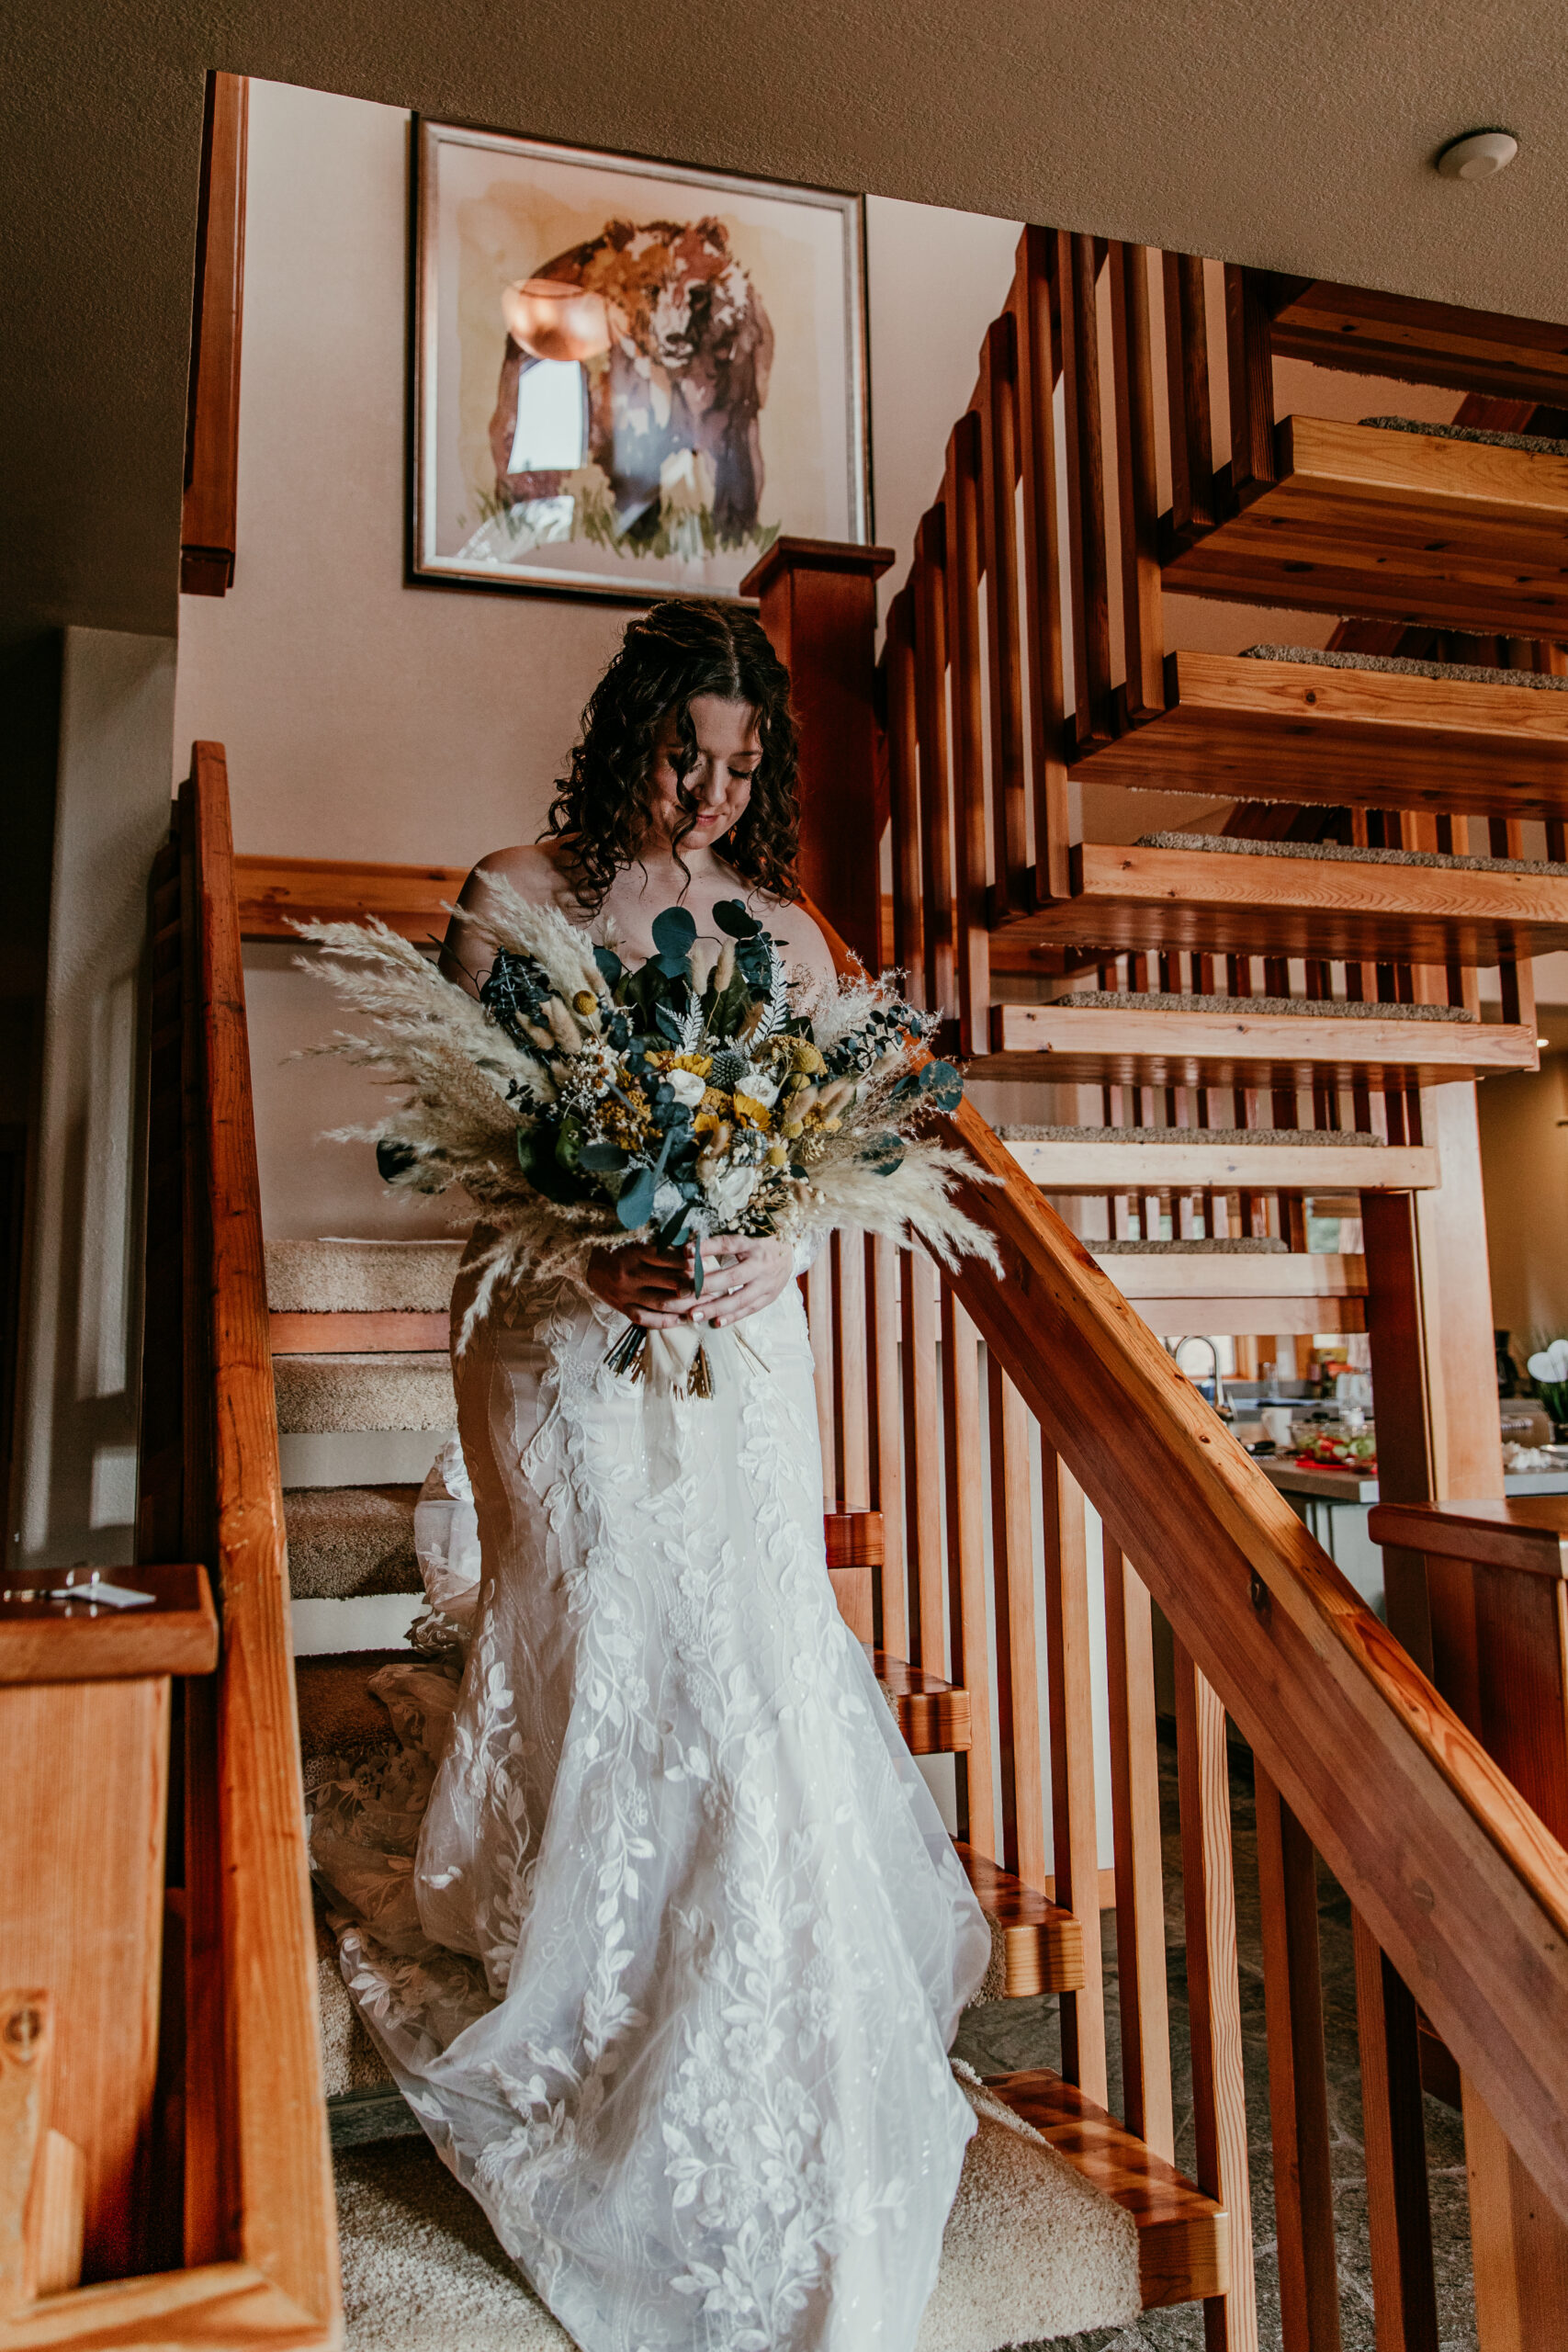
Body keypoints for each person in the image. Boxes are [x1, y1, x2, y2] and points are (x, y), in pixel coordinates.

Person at [310, 599, 992, 2352]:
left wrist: (776, 1255)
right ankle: (598, 1987)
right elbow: (468, 1167)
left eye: (741, 765)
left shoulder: (784, 928)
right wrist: (586, 1254)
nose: (706, 791)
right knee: (621, 1647)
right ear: (628, 735)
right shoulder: (513, 893)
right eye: (683, 753)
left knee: (751, 1670)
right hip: (567, 1350)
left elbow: (838, 1167)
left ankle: (761, 2006)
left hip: (747, 1363)